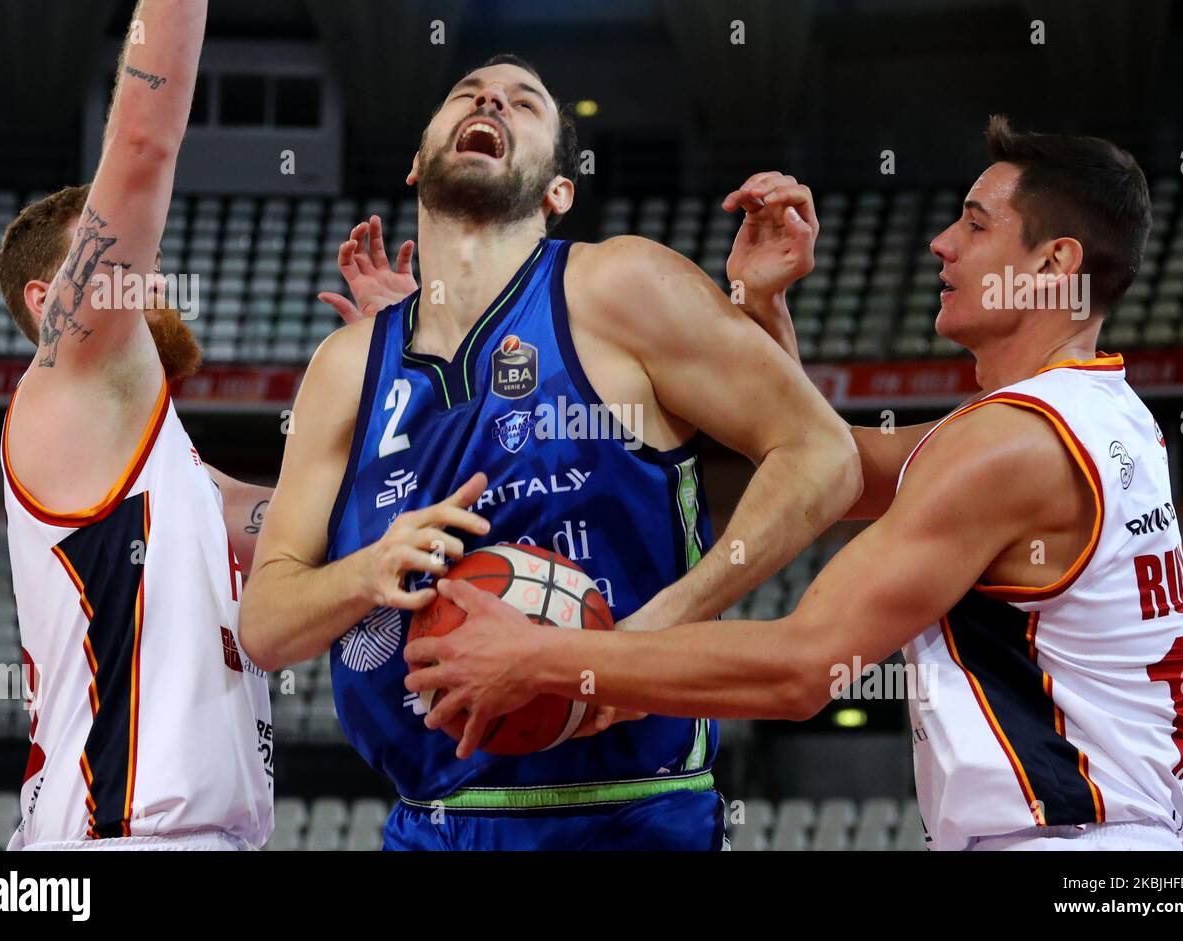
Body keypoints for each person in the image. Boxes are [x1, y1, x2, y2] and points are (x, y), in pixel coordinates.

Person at [408, 117, 1183, 851]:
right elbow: (832, 464)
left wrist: (547, 657)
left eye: (974, 222)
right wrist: (760, 301)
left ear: (1053, 263)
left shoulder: (1011, 447)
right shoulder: (1097, 417)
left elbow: (800, 667)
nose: (940, 243)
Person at [239, 55, 861, 850]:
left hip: (633, 810)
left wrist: (632, 645)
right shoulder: (346, 366)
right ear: (417, 162)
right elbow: (264, 623)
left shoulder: (621, 286)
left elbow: (822, 455)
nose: (490, 97)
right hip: (431, 823)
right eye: (466, 92)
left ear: (557, 191)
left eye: (524, 103)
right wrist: (368, 568)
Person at [0, 0, 277, 850]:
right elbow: (146, 144)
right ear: (51, 304)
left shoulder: (173, 473)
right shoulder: (66, 380)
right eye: (120, 257)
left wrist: (397, 370)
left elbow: (304, 524)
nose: (147, 272)